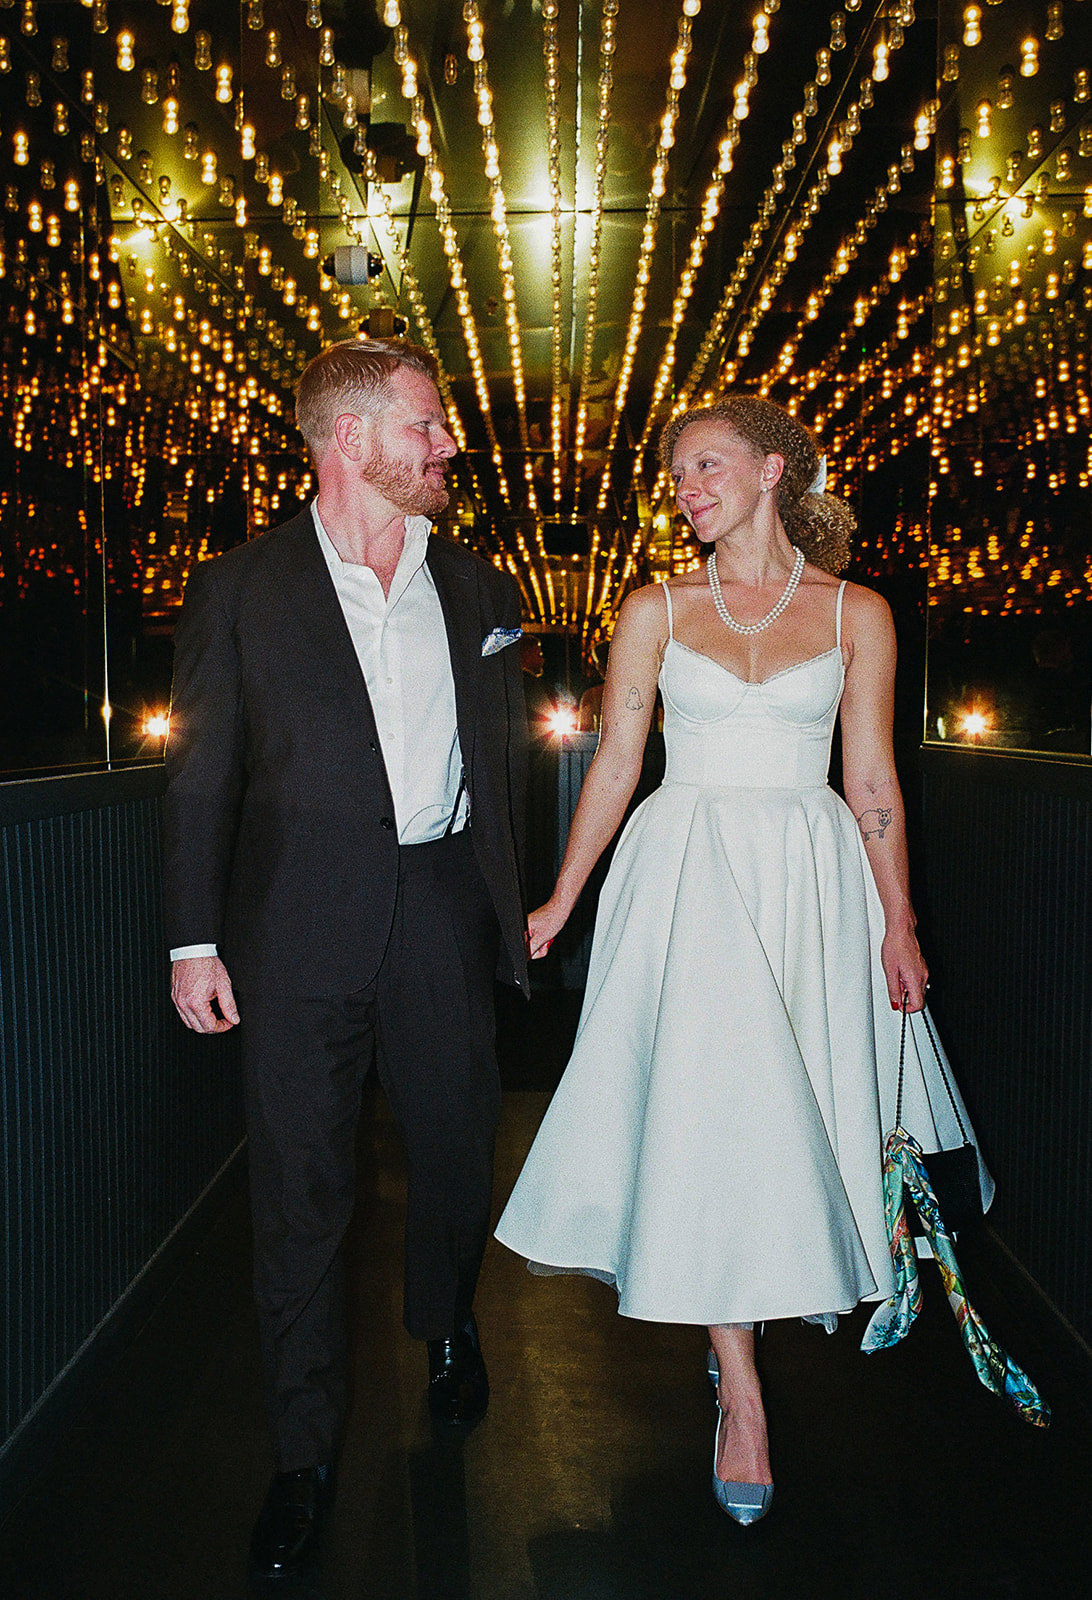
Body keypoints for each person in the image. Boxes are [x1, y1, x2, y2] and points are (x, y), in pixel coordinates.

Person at [495, 396, 988, 1525]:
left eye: (704, 466)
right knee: (713, 1110)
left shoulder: (858, 611)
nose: (686, 489)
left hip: (811, 878)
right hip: (685, 874)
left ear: (773, 470)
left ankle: (747, 1330)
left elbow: (870, 779)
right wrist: (564, 893)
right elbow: (618, 762)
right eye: (676, 476)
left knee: (794, 1108)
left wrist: (897, 919)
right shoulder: (653, 607)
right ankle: (744, 1392)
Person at [162, 337, 528, 1578]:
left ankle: (443, 1320)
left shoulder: (477, 587)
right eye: (428, 424)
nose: (448, 444)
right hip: (294, 924)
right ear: (351, 440)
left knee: (451, 1145)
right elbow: (201, 770)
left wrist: (508, 903)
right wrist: (193, 936)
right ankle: (304, 1452)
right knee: (300, 1197)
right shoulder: (240, 588)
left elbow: (499, 761)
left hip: (438, 909)